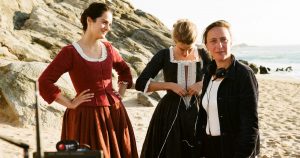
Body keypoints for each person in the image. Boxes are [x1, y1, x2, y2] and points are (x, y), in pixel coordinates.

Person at [38, 2, 138, 158]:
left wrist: (121, 93)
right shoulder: (70, 52)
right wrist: (70, 103)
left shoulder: (108, 49)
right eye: (104, 22)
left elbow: (124, 71)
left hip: (115, 114)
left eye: (110, 24)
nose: (108, 27)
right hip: (87, 118)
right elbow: (45, 81)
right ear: (90, 21)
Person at [135, 19, 211, 158]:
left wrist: (202, 84)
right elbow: (141, 83)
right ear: (175, 40)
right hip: (169, 114)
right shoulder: (164, 55)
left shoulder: (203, 54)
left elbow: (218, 77)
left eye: (190, 48)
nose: (185, 53)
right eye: (182, 49)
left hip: (198, 111)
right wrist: (169, 85)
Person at [196, 20, 260, 158]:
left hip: (233, 150)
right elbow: (204, 116)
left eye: (224, 39)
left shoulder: (244, 75)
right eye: (213, 41)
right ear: (206, 46)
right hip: (209, 148)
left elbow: (250, 125)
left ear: (231, 42)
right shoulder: (208, 74)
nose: (219, 46)